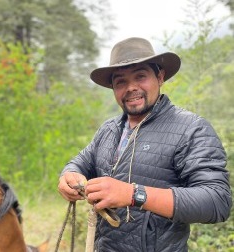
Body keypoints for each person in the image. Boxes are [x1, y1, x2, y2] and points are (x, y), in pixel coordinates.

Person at [57, 37, 232, 251]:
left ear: (160, 77)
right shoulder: (109, 130)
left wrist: (134, 194)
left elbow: (217, 201)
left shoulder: (191, 128)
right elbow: (80, 163)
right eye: (120, 81)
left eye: (140, 76)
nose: (131, 87)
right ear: (113, 87)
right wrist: (69, 176)